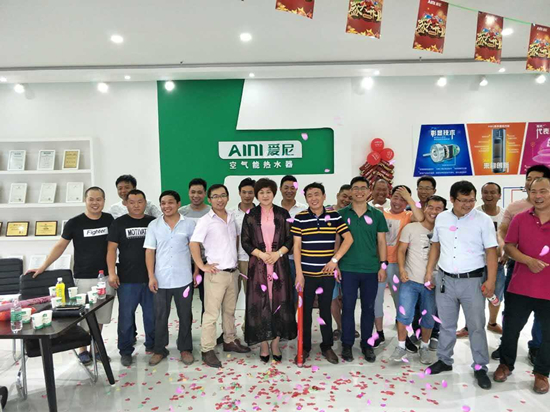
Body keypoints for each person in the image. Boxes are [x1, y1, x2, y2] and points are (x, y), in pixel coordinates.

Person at [26, 187, 115, 365]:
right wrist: (43, 266)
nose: (95, 203)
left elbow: (113, 246)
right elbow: (60, 246)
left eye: (99, 199)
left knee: (101, 316)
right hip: (83, 276)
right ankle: (83, 349)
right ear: (85, 200)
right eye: (91, 199)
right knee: (84, 315)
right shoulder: (74, 223)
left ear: (104, 201)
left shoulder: (109, 219)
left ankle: (96, 348)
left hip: (105, 276)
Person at [425, 180, 497, 390]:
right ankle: (444, 359)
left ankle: (480, 366)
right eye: (463, 200)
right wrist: (430, 271)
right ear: (452, 199)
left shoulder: (483, 220)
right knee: (446, 324)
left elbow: (491, 251)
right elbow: (436, 246)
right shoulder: (442, 218)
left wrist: (491, 280)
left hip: (472, 281)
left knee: (476, 326)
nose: (468, 204)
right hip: (445, 280)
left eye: (471, 200)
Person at [493, 177, 550, 394]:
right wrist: (527, 261)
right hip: (520, 286)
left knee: (548, 335)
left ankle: (542, 373)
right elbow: (509, 247)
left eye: (543, 191)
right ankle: (505, 364)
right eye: (534, 191)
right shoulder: (520, 218)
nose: (538, 196)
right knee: (510, 329)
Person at [292, 182, 353, 364]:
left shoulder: (334, 216)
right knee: (305, 313)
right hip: (306, 275)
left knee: (325, 311)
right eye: (309, 195)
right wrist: (299, 273)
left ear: (324, 196)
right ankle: (304, 347)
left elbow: (348, 239)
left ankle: (326, 346)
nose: (314, 198)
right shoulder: (300, 218)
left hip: (326, 275)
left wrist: (335, 260)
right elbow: (296, 247)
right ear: (306, 199)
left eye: (317, 194)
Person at [190, 184, 251, 369]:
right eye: (215, 196)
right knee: (211, 314)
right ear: (209, 200)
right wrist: (202, 266)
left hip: (233, 271)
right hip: (215, 274)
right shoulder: (206, 220)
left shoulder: (231, 217)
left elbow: (236, 238)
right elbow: (194, 243)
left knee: (229, 311)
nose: (220, 199)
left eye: (223, 195)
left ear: (228, 197)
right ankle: (207, 349)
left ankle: (229, 340)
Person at [241, 178, 297, 362]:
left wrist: (278, 253)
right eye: (261, 192)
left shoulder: (282, 213)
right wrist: (261, 255)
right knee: (260, 304)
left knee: (279, 302)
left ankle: (275, 343)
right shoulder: (250, 215)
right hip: (258, 265)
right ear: (257, 195)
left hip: (279, 264)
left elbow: (290, 239)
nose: (265, 196)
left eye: (268, 192)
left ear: (274, 193)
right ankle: (264, 344)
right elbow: (245, 241)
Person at [390, 195, 447, 365]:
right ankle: (401, 346)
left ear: (444, 211)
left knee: (428, 317)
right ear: (424, 208)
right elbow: (401, 250)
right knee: (404, 315)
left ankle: (425, 346)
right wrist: (402, 269)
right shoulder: (411, 228)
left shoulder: (446, 230)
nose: (434, 211)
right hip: (410, 280)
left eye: (438, 208)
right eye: (431, 207)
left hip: (432, 283)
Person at [338, 176, 388, 363]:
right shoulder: (341, 214)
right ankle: (347, 343)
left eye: (363, 188)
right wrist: (336, 263)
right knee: (348, 307)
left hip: (370, 269)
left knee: (368, 308)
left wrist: (383, 266)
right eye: (355, 188)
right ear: (351, 191)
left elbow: (381, 242)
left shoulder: (377, 215)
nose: (359, 191)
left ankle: (367, 344)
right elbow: (337, 241)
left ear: (369, 192)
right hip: (348, 268)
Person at [144, 190, 196, 366]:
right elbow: (150, 251)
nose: (167, 206)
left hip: (184, 279)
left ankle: (185, 348)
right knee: (160, 315)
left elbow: (195, 250)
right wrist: (151, 276)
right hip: (161, 279)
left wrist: (196, 271)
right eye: (163, 203)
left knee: (185, 315)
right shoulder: (154, 225)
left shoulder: (189, 224)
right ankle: (160, 350)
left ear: (178, 204)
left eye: (170, 202)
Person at [107, 189, 156, 367]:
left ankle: (153, 345)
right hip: (127, 279)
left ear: (145, 203)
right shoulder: (118, 223)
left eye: (140, 202)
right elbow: (111, 249)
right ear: (126, 204)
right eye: (132, 202)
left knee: (152, 315)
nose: (136, 205)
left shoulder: (153, 222)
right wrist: (112, 272)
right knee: (126, 317)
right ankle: (125, 350)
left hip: (150, 277)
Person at [373, 185, 424, 351]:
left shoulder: (408, 215)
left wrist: (409, 199)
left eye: (403, 199)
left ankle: (404, 336)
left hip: (398, 265)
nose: (398, 202)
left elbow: (421, 217)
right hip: (379, 264)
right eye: (395, 197)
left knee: (401, 302)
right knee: (377, 300)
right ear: (390, 197)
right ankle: (379, 333)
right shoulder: (380, 212)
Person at [456, 182, 505, 338]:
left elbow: (509, 238)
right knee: (472, 298)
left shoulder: (505, 215)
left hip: (497, 265)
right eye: (485, 192)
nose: (489, 195)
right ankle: (469, 326)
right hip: (475, 265)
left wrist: (506, 254)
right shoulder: (472, 213)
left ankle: (492, 323)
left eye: (493, 192)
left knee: (495, 296)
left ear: (499, 195)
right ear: (481, 195)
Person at [179, 178, 211, 318]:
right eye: (193, 192)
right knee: (185, 299)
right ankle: (186, 329)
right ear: (188, 193)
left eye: (199, 192)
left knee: (207, 299)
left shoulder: (211, 212)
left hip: (207, 261)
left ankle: (206, 328)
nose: (196, 195)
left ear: (205, 194)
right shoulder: (181, 212)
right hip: (185, 262)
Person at [328, 184, 354, 341]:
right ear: (337, 195)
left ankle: (347, 325)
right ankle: (339, 327)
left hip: (348, 262)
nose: (346, 200)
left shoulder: (353, 214)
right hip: (329, 262)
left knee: (347, 297)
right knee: (332, 297)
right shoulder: (327, 212)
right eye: (344, 196)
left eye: (350, 198)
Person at [230, 177, 256, 331]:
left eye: (250, 192)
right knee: (230, 299)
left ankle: (249, 328)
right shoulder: (230, 213)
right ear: (239, 193)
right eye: (244, 192)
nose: (247, 195)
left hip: (252, 260)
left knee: (252, 298)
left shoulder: (259, 212)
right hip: (232, 261)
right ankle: (229, 331)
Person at [280, 175, 308, 302]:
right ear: (280, 189)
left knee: (298, 295)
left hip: (298, 260)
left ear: (297, 189)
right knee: (281, 295)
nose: (289, 191)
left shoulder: (304, 210)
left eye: (292, 188)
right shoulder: (274, 209)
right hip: (279, 259)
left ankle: (297, 315)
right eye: (286, 188)